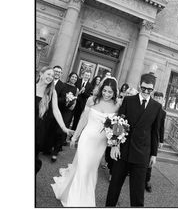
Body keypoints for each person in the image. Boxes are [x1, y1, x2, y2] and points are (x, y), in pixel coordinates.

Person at [51, 77, 120, 207]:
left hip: (101, 143)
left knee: (90, 170)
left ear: (115, 92)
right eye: (104, 91)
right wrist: (75, 137)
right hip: (86, 139)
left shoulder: (117, 105)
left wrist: (116, 141)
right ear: (101, 89)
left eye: (110, 92)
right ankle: (76, 202)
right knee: (83, 167)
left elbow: (117, 125)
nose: (106, 94)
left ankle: (82, 195)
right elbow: (83, 119)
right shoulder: (92, 100)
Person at [105, 73, 162, 207]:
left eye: (150, 89)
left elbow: (155, 132)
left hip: (142, 154)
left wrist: (154, 154)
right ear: (139, 85)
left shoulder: (157, 107)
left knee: (137, 192)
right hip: (123, 150)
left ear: (153, 89)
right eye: (144, 88)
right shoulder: (128, 100)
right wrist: (115, 145)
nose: (146, 91)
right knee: (114, 186)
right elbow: (118, 123)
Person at [36, 66, 72, 174]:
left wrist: (64, 128)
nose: (51, 77)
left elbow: (56, 111)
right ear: (41, 74)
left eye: (52, 75)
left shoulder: (52, 92)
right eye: (48, 74)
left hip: (39, 128)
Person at [51, 72, 79, 162]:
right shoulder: (63, 85)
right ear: (69, 77)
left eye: (75, 77)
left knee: (62, 130)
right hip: (60, 108)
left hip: (68, 111)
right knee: (55, 127)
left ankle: (56, 151)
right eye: (72, 77)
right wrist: (65, 99)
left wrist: (72, 104)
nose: (74, 78)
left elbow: (75, 99)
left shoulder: (76, 89)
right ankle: (50, 146)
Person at [145, 91, 166, 193]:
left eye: (159, 98)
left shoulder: (163, 112)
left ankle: (147, 180)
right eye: (156, 97)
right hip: (145, 136)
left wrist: (161, 140)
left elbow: (161, 127)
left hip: (154, 138)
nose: (157, 99)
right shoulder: (147, 106)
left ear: (162, 100)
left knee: (151, 160)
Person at [42, 65, 65, 155]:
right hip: (42, 107)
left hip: (53, 111)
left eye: (59, 72)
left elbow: (63, 99)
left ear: (61, 74)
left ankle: (46, 148)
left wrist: (51, 99)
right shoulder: (46, 80)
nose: (57, 73)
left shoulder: (63, 85)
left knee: (50, 130)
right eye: (56, 71)